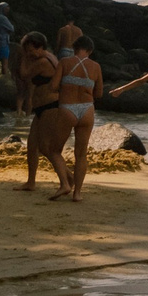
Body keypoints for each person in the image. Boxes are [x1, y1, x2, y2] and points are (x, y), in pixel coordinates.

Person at [54, 39, 104, 202]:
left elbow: (53, 86)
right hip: (87, 110)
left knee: (55, 150)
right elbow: (99, 93)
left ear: (74, 49)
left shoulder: (65, 62)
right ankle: (77, 193)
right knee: (81, 155)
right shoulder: (96, 66)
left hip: (68, 108)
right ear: (90, 50)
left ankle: (65, 184)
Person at [16, 32, 67, 192]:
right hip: (43, 108)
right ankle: (31, 182)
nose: (30, 53)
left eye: (31, 50)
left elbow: (24, 74)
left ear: (41, 47)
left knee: (46, 148)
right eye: (27, 50)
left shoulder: (44, 61)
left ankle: (67, 180)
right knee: (32, 145)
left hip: (51, 106)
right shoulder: (49, 56)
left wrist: (23, 57)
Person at [0, 2, 16, 112]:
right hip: (3, 42)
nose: (8, 9)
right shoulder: (3, 18)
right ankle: (5, 83)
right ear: (3, 8)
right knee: (5, 63)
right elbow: (11, 29)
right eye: (7, 8)